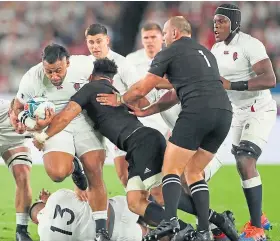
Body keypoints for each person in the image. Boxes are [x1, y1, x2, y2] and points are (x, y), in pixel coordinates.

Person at [96, 17, 234, 241]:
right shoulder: (205, 53)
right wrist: (148, 111)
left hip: (196, 113)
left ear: (174, 34)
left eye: (165, 34)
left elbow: (142, 87)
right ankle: (204, 230)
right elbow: (175, 93)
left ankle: (169, 222)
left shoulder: (170, 51)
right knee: (193, 173)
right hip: (223, 115)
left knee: (171, 171)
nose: (164, 38)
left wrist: (120, 98)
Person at [32, 58, 194, 238]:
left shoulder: (89, 89)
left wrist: (43, 136)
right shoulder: (114, 92)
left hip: (141, 143)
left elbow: (64, 117)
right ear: (111, 79)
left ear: (92, 76)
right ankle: (195, 224)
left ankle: (198, 223)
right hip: (140, 143)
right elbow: (141, 97)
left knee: (159, 194)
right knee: (135, 202)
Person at [11, 44, 110, 241]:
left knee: (94, 171)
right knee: (56, 174)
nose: (54, 76)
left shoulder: (84, 64)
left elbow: (105, 72)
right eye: (49, 71)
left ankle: (101, 231)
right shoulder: (33, 77)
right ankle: (74, 167)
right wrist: (27, 123)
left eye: (58, 70)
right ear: (42, 65)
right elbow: (17, 106)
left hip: (84, 120)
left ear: (68, 63)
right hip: (54, 124)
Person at [211, 4, 276, 241]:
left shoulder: (250, 44)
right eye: (214, 21)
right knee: (241, 164)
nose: (216, 25)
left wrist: (232, 85)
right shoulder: (216, 48)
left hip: (259, 109)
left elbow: (270, 78)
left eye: (221, 21)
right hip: (236, 113)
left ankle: (257, 228)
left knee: (245, 159)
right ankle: (261, 218)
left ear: (234, 22)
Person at [84, 23, 170, 190]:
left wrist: (121, 100)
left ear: (107, 40)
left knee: (147, 180)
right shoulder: (84, 64)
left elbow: (141, 94)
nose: (95, 46)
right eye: (91, 42)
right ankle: (145, 213)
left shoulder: (122, 63)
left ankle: (162, 212)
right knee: (123, 178)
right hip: (101, 126)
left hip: (126, 125)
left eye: (98, 41)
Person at [29, 188, 148, 241]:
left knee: (149, 233)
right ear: (43, 203)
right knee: (154, 216)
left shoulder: (45, 234)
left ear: (35, 222)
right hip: (116, 208)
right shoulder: (58, 196)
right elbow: (81, 196)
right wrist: (50, 199)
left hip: (115, 234)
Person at [0, 98, 33, 241]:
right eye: (17, 119)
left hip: (15, 142)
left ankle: (22, 231)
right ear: (9, 112)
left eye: (24, 120)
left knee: (23, 175)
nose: (20, 126)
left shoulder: (42, 115)